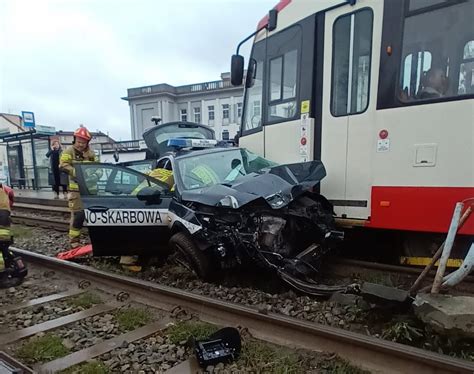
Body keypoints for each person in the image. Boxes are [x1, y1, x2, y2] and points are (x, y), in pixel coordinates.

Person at [59, 126, 100, 248]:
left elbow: (99, 168)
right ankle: (74, 242)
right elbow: (63, 165)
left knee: (94, 215)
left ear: (87, 142)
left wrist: (96, 176)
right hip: (75, 190)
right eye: (79, 141)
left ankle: (96, 239)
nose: (80, 144)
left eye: (83, 142)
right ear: (75, 139)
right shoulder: (68, 152)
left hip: (91, 189)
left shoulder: (91, 154)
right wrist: (78, 174)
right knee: (78, 215)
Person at [0, 183, 27, 288]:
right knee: (3, 245)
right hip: (4, 215)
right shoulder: (3, 188)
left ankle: (2, 277)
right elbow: (10, 193)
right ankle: (13, 266)